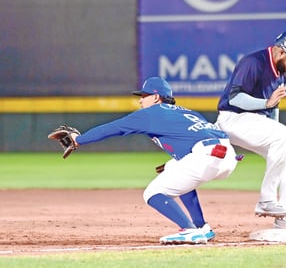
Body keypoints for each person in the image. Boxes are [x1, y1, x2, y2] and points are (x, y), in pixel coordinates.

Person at [70, 76, 239, 244]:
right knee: (174, 170)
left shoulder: (151, 113)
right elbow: (195, 139)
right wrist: (174, 164)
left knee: (153, 193)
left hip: (207, 156)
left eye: (144, 96)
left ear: (156, 97)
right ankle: (201, 227)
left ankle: (190, 230)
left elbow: (112, 128)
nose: (140, 101)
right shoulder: (187, 111)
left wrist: (79, 139)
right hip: (227, 156)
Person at [215, 29, 286, 231]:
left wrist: (271, 113)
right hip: (232, 119)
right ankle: (267, 199)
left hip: (256, 123)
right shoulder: (253, 62)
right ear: (282, 52)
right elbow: (235, 98)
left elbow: (272, 107)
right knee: (283, 134)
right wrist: (266, 103)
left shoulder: (282, 71)